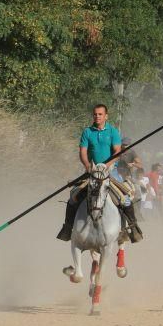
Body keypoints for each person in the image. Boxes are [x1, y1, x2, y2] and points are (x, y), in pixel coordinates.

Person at [57, 103, 142, 243]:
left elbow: (117, 152)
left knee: (125, 198)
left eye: (100, 114)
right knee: (73, 196)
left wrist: (105, 166)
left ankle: (133, 228)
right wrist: (87, 165)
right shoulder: (87, 132)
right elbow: (83, 152)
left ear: (106, 116)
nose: (97, 116)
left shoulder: (113, 132)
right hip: (91, 172)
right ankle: (68, 228)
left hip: (110, 171)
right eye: (95, 114)